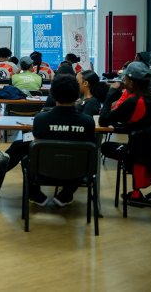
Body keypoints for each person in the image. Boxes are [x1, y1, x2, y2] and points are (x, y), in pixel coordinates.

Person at [99, 62, 151, 207]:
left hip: (136, 156)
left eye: (125, 79)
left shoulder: (133, 102)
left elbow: (103, 120)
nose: (124, 82)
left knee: (105, 147)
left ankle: (136, 192)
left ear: (131, 82)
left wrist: (110, 95)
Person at [24, 73, 97, 206]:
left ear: (52, 94)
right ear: (77, 94)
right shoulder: (88, 121)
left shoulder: (40, 119)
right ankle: (66, 194)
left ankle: (36, 195)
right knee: (86, 158)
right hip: (77, 173)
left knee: (26, 157)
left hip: (43, 172)